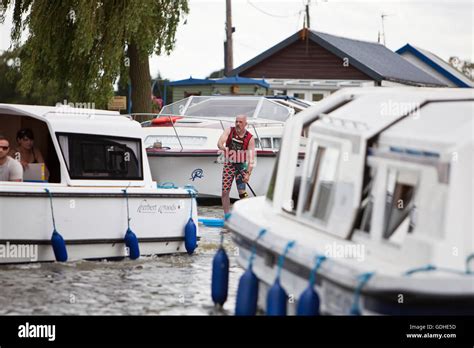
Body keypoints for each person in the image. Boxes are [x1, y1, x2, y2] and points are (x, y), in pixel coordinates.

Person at [217, 114, 256, 216]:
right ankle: (227, 216)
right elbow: (220, 143)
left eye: (240, 122)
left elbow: (251, 158)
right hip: (229, 165)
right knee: (225, 192)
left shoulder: (250, 138)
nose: (238, 124)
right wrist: (223, 148)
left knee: (242, 193)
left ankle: (246, 214)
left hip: (241, 166)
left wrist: (248, 174)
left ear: (245, 124)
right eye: (236, 121)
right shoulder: (229, 131)